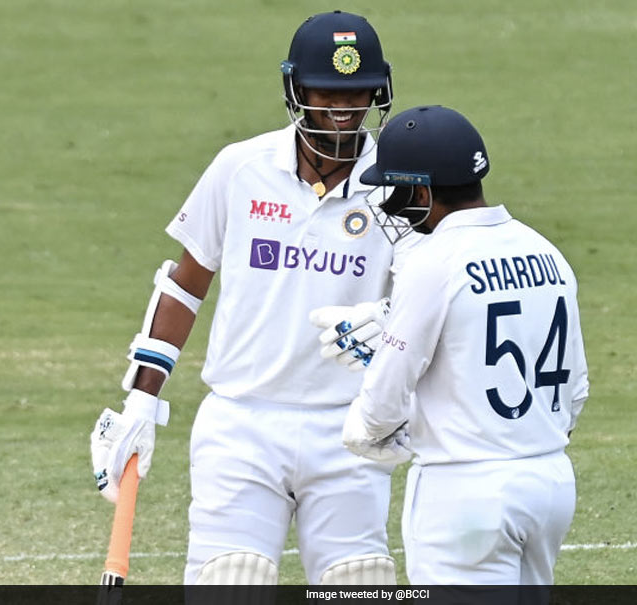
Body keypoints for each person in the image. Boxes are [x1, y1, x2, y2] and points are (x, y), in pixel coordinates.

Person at [90, 11, 416, 585]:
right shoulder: (240, 168)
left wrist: (392, 322)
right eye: (327, 92)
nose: (344, 107)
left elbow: (430, 294)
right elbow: (184, 285)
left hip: (350, 428)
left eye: (358, 92)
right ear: (296, 90)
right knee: (231, 579)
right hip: (241, 425)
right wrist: (141, 401)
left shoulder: (401, 184)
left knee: (359, 582)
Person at [340, 105, 590, 585]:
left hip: (465, 493)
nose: (392, 205)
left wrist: (366, 428)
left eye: (396, 190)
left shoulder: (433, 261)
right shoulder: (547, 252)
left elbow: (387, 392)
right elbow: (575, 389)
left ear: (421, 191)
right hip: (550, 483)